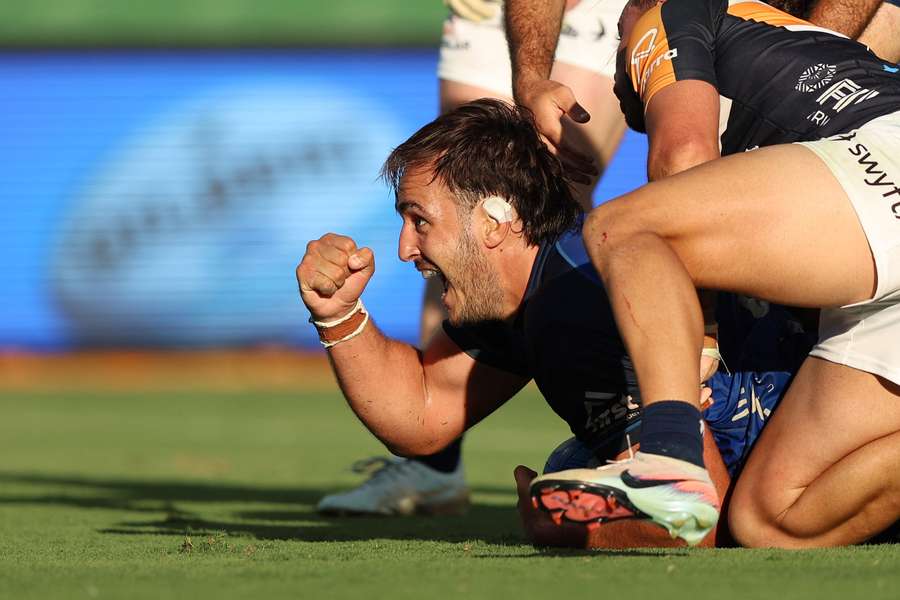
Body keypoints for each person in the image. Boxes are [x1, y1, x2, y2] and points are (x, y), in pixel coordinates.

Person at [298, 99, 817, 548]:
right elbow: (420, 417)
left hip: (822, 438)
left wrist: (556, 527)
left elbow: (694, 517)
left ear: (493, 223)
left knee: (571, 474)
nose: (405, 248)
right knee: (577, 463)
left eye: (420, 220)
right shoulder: (532, 282)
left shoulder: (569, 306)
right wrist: (339, 313)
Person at [515, 0, 900, 548]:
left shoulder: (665, 11)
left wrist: (700, 335)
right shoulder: (786, 61)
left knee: (620, 227)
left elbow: (684, 159)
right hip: (879, 241)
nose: (617, 69)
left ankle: (669, 460)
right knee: (771, 518)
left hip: (884, 171)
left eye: (617, 51)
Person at [316, 0, 630, 517]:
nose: (398, 250)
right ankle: (437, 464)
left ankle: (658, 414)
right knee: (450, 215)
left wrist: (530, 77)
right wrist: (338, 315)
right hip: (484, 9)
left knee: (549, 199)